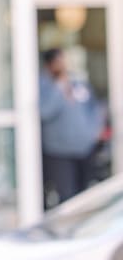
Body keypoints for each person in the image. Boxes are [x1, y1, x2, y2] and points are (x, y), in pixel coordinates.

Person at [39, 48, 105, 205]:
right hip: (59, 152)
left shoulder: (78, 83)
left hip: (84, 148)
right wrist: (59, 87)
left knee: (84, 195)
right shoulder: (44, 85)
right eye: (59, 61)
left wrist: (93, 131)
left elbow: (94, 108)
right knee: (67, 197)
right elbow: (44, 112)